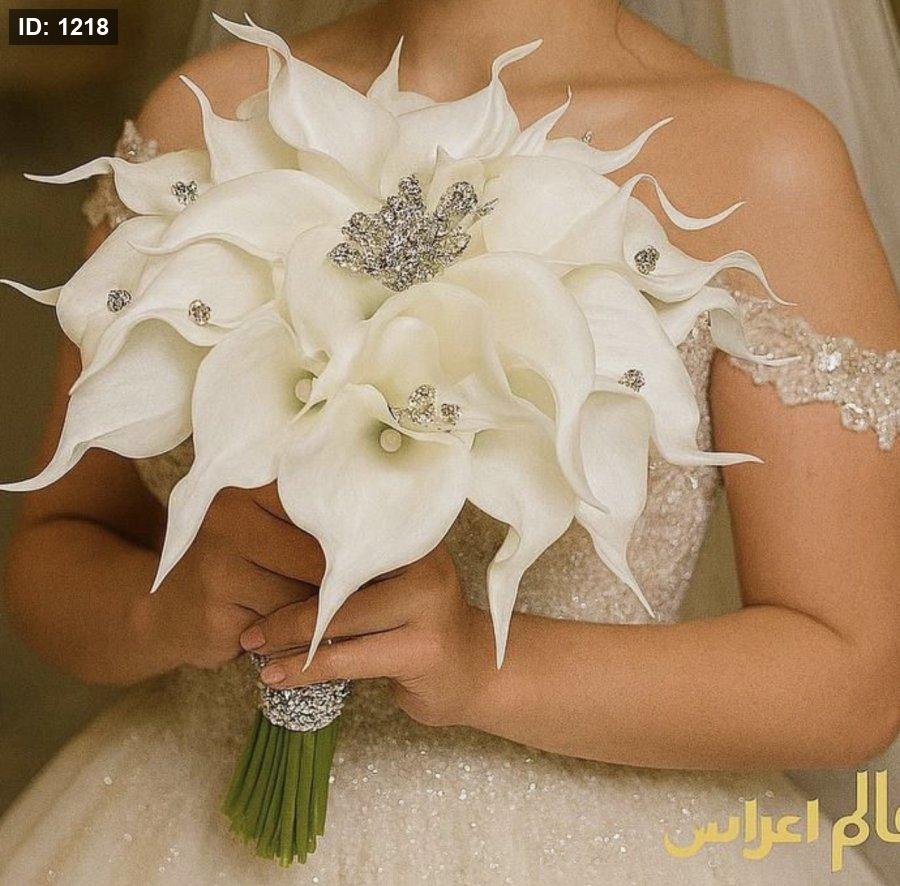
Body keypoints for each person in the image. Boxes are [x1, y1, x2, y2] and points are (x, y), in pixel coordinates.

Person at [1, 1, 897, 882]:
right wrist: (166, 608)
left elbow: (853, 684)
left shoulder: (758, 159)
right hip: (178, 819)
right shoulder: (201, 117)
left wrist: (482, 664)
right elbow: (56, 553)